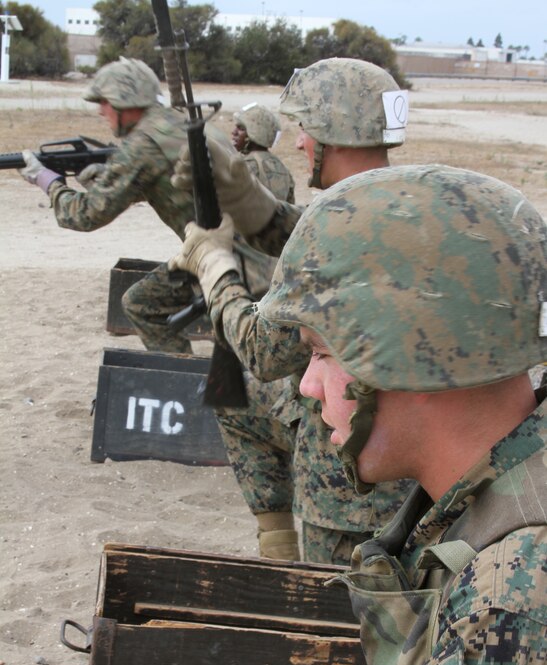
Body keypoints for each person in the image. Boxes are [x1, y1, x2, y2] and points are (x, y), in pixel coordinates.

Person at [183, 165, 547, 665]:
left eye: (321, 352)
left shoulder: (509, 597)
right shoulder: (511, 471)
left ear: (407, 356)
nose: (306, 385)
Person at [171, 58, 413, 563]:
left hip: (354, 478)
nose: (299, 141)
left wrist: (213, 266)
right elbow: (314, 233)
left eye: (305, 127)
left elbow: (262, 351)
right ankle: (277, 551)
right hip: (412, 441)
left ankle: (284, 564)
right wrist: (246, 197)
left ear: (331, 132)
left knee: (233, 384)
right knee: (234, 401)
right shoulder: (402, 200)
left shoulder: (339, 228)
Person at [18, 57, 273, 353]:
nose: (100, 110)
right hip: (255, 250)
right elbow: (172, 185)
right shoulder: (180, 123)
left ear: (123, 101)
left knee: (141, 304)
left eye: (104, 102)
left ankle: (179, 372)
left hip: (226, 259)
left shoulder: (143, 144)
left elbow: (84, 215)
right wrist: (107, 180)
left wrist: (47, 181)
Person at [231, 103, 295, 203]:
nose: (234, 132)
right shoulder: (283, 169)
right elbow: (290, 207)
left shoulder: (246, 166)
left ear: (254, 134)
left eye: (241, 129)